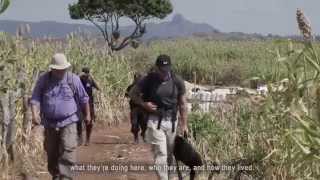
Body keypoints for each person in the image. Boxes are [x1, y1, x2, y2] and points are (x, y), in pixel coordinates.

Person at [30, 53, 91, 180]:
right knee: (51, 152)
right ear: (52, 69)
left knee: (68, 150)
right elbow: (35, 97)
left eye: (63, 69)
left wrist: (88, 115)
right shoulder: (44, 79)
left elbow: (84, 98)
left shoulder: (73, 79)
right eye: (58, 70)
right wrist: (35, 114)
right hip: (49, 123)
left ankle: (66, 177)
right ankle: (56, 175)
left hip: (68, 121)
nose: (61, 72)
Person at [129, 54, 188, 180]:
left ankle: (170, 176)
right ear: (156, 68)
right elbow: (132, 93)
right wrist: (144, 104)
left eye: (167, 70)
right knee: (161, 153)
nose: (164, 73)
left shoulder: (177, 81)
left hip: (172, 121)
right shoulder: (148, 80)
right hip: (155, 121)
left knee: (170, 154)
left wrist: (184, 125)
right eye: (161, 70)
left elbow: (183, 104)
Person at [79, 67, 100, 146]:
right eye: (85, 73)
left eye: (88, 73)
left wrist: (93, 79)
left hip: (89, 102)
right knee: (79, 120)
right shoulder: (79, 79)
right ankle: (80, 138)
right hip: (80, 102)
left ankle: (87, 139)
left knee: (89, 121)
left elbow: (98, 88)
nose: (86, 75)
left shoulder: (90, 80)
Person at [125, 73, 146, 143]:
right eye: (136, 78)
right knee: (134, 124)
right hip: (134, 108)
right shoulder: (130, 87)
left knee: (144, 124)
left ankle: (144, 135)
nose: (137, 79)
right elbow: (126, 95)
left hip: (143, 108)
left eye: (138, 78)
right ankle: (136, 138)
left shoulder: (144, 87)